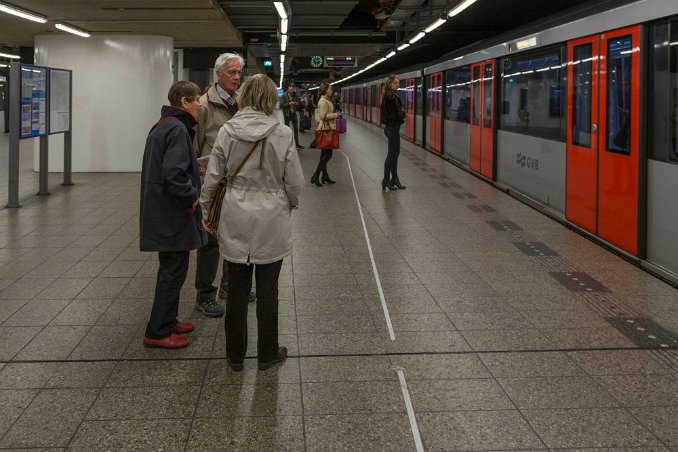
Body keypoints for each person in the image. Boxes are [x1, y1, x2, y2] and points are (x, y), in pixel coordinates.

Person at [200, 74, 305, 371]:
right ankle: (267, 354)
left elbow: (212, 178)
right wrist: (290, 202)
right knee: (268, 289)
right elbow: (295, 182)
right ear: (271, 99)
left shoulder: (226, 131)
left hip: (235, 214)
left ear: (244, 96)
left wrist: (207, 211)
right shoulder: (282, 133)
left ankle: (234, 356)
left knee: (235, 289)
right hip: (272, 216)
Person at [140, 81, 207, 349]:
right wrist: (191, 196)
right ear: (184, 102)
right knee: (173, 270)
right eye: (196, 100)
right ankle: (157, 331)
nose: (200, 104)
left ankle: (168, 320)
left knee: (171, 268)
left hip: (161, 209)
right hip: (172, 212)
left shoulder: (164, 125)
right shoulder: (177, 129)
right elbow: (173, 175)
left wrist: (194, 168)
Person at [193, 52, 255, 318]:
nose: (236, 77)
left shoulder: (243, 102)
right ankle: (204, 294)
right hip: (213, 182)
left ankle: (229, 287)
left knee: (235, 237)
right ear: (217, 74)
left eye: (239, 72)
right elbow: (195, 147)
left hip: (238, 181)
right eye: (231, 72)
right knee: (209, 241)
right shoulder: (205, 106)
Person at [380, 75, 406, 190]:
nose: (398, 85)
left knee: (395, 154)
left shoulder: (391, 95)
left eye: (398, 83)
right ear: (390, 84)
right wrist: (403, 114)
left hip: (392, 128)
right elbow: (396, 114)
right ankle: (386, 180)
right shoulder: (390, 97)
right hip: (392, 128)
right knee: (392, 155)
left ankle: (394, 179)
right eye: (395, 83)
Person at [310, 83, 339, 187]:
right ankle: (316, 175)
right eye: (330, 89)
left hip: (327, 128)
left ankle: (324, 176)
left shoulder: (327, 100)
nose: (331, 91)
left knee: (323, 155)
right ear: (325, 90)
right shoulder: (323, 101)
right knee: (328, 155)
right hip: (326, 130)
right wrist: (336, 115)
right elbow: (323, 116)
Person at [281, 82, 304, 150]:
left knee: (296, 129)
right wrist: (289, 103)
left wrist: (296, 103)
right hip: (287, 114)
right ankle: (286, 144)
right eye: (291, 89)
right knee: (286, 130)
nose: (292, 91)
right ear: (288, 88)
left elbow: (298, 103)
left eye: (293, 89)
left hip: (293, 113)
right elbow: (281, 105)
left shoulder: (296, 95)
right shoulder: (284, 95)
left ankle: (297, 144)